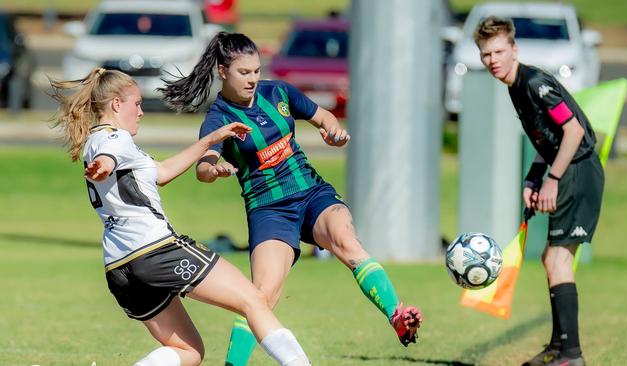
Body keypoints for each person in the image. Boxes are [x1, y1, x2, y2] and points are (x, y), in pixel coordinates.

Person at [158, 32, 423, 365]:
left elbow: (323, 115)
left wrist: (332, 131)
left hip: (312, 193)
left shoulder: (279, 92)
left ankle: (397, 316)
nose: (253, 79)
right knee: (260, 297)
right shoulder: (219, 119)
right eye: (244, 73)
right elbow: (203, 166)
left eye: (256, 70)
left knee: (348, 243)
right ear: (223, 71)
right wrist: (216, 169)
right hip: (269, 210)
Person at [49, 67, 312, 366]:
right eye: (137, 103)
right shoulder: (114, 139)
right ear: (116, 105)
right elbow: (110, 155)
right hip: (156, 250)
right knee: (253, 300)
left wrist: (211, 140)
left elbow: (161, 172)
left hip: (120, 268)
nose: (141, 112)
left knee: (190, 352)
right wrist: (105, 165)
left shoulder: (97, 140)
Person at [473, 17, 604, 366]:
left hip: (579, 170)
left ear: (514, 49)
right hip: (569, 169)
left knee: (558, 258)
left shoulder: (535, 84)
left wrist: (553, 179)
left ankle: (571, 355)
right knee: (552, 258)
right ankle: (559, 348)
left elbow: (573, 132)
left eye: (499, 51)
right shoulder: (515, 87)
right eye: (486, 54)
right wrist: (533, 177)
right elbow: (547, 137)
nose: (492, 60)